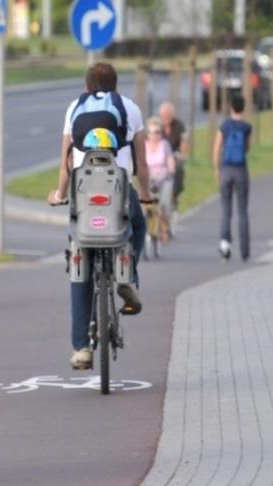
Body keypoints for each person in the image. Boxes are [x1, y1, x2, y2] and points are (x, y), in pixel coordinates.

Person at [48, 62, 153, 371]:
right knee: (137, 224)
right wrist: (144, 194)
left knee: (78, 258)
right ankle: (129, 275)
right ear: (116, 86)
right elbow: (142, 162)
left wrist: (59, 194)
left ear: (86, 86)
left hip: (83, 195)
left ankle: (81, 348)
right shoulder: (130, 108)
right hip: (119, 192)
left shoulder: (73, 108)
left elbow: (66, 161)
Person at [212, 94, 252, 261]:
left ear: (230, 108)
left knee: (226, 209)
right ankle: (244, 250)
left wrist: (216, 168)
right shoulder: (247, 127)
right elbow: (248, 148)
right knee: (242, 210)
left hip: (226, 169)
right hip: (241, 169)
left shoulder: (225, 126)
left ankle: (225, 244)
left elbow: (216, 148)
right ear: (243, 108)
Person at [144, 116, 176, 243]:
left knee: (164, 205)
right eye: (151, 132)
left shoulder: (165, 145)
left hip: (164, 179)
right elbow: (139, 162)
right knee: (145, 205)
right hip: (148, 179)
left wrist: (171, 169)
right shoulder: (144, 146)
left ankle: (164, 229)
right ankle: (148, 227)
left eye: (157, 132)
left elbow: (170, 160)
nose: (154, 135)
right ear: (147, 133)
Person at [158, 101, 188, 211]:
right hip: (159, 157)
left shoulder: (179, 125)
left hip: (175, 156)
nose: (166, 118)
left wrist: (182, 155)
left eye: (168, 115)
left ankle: (174, 194)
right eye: (164, 115)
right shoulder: (157, 127)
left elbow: (184, 142)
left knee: (178, 168)